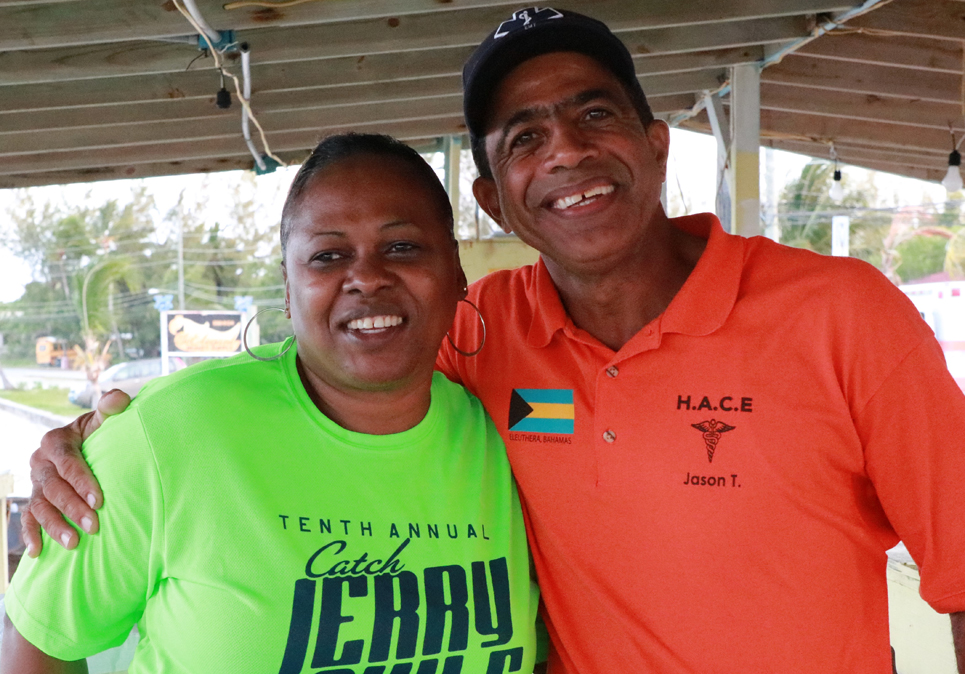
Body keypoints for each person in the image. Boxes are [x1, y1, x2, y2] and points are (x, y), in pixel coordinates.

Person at [21, 8, 965, 674]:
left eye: (594, 113)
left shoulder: (842, 314)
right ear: (494, 199)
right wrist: (98, 438)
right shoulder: (481, 330)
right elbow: (342, 356)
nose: (563, 151)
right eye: (522, 137)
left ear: (654, 139)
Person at [1, 133, 540, 673]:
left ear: (457, 271)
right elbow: (41, 641)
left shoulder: (509, 440)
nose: (368, 278)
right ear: (288, 286)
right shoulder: (173, 432)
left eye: (402, 247)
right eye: (328, 255)